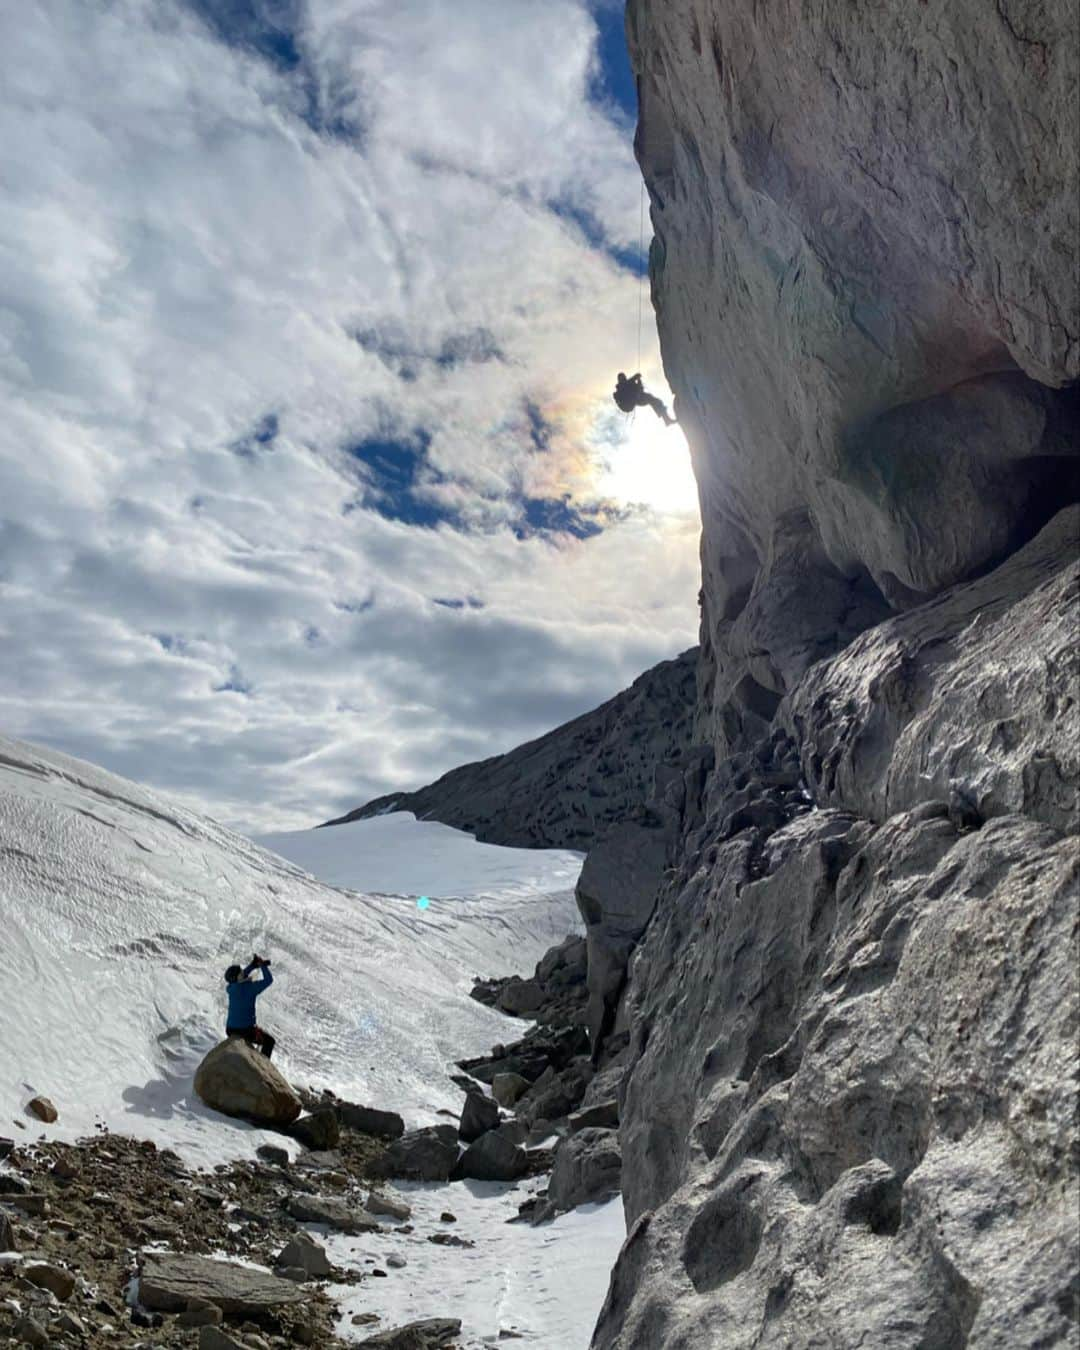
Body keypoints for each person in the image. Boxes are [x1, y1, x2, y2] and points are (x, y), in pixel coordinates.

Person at [224, 954, 276, 1058]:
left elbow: (239, 978)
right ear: (238, 977)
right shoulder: (250, 988)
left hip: (230, 1030)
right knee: (269, 1042)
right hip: (245, 1031)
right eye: (241, 972)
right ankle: (263, 1064)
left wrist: (252, 966)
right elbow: (269, 980)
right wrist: (262, 965)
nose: (243, 972)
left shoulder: (230, 988)